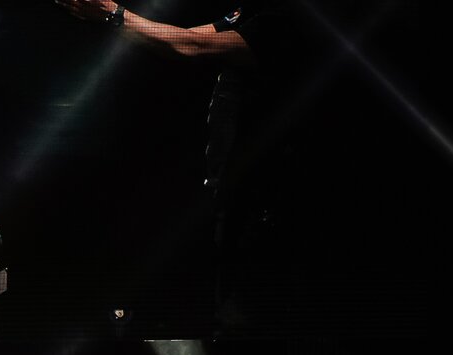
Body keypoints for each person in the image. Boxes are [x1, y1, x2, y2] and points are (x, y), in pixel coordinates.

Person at [55, 0, 314, 327]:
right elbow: (182, 37)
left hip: (268, 197)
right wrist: (107, 19)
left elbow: (191, 45)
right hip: (232, 192)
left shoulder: (287, 16)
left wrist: (114, 15)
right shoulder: (248, 11)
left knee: (251, 313)